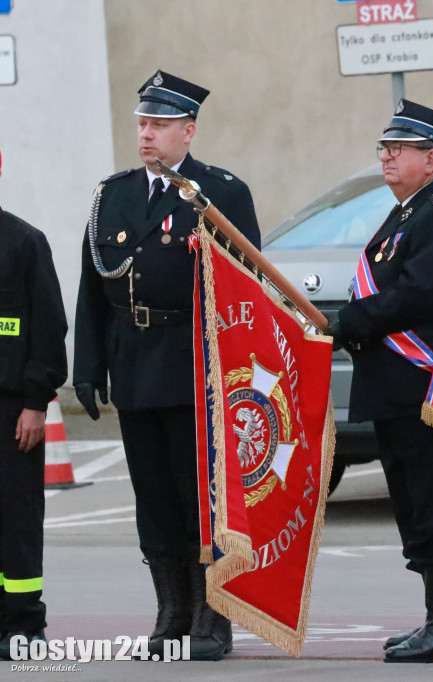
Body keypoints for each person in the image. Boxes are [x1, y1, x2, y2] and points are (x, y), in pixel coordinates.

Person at [73, 70, 260, 662]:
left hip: (195, 365)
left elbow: (247, 288)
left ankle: (212, 615)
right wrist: (89, 363)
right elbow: (91, 285)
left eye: (158, 125)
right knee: (152, 496)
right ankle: (171, 612)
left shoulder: (220, 193)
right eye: (142, 124)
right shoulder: (115, 194)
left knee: (200, 496)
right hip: (134, 364)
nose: (146, 134)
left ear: (188, 131)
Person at [329, 99, 433, 664]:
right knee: (413, 506)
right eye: (385, 148)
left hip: (429, 389)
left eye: (401, 148)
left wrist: (351, 322)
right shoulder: (405, 213)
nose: (388, 157)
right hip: (396, 389)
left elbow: (419, 294)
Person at [0, 149, 68, 660]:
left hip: (10, 411)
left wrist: (35, 403)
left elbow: (48, 330)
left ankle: (23, 623)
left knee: (17, 515)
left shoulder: (24, 241)